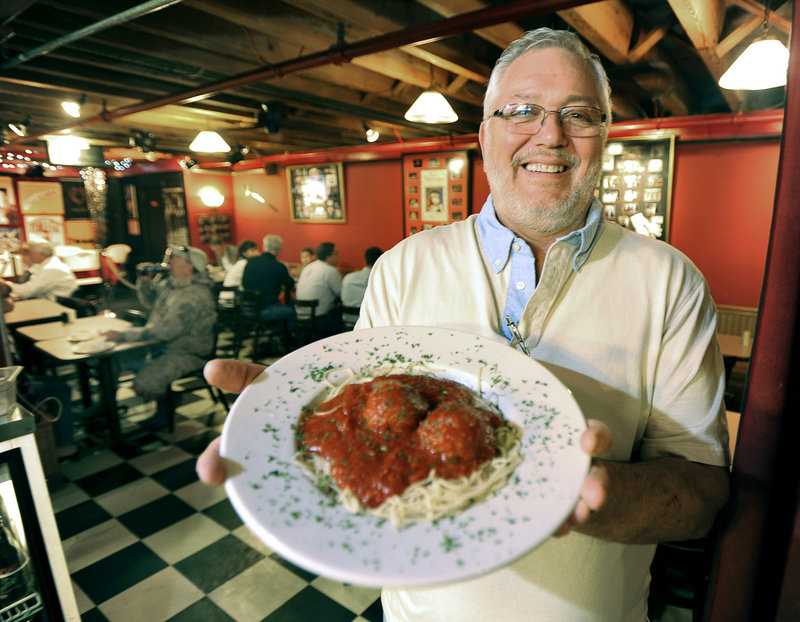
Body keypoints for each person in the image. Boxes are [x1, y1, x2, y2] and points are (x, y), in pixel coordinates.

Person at [197, 28, 730, 622]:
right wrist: (298, 421)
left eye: (578, 115)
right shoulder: (403, 267)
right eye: (521, 110)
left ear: (605, 136)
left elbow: (703, 494)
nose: (549, 134)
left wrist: (598, 496)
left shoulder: (671, 282)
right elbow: (365, 421)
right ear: (484, 135)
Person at [103, 244, 216, 429]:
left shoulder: (193, 295)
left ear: (189, 266)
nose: (170, 261)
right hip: (163, 345)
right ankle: (104, 408)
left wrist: (122, 336)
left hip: (187, 352)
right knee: (116, 361)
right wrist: (145, 281)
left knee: (141, 385)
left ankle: (165, 406)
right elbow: (150, 302)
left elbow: (165, 331)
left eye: (176, 258)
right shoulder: (172, 285)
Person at [240, 234, 295, 327]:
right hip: (266, 309)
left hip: (247, 308)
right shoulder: (279, 266)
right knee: (292, 311)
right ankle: (286, 338)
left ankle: (272, 332)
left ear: (264, 247)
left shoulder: (251, 262)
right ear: (279, 250)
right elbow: (290, 284)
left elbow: (244, 283)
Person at [296, 241, 342, 335]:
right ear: (329, 256)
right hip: (319, 319)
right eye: (336, 254)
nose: (338, 256)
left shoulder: (307, 268)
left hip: (299, 316)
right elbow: (341, 294)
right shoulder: (330, 271)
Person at [7, 242, 77, 301]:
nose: (29, 256)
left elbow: (27, 291)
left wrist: (5, 285)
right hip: (48, 304)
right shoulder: (44, 266)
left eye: (30, 253)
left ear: (41, 254)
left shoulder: (51, 269)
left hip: (55, 308)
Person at [340, 246, 382, 325]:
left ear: (364, 260)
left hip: (347, 321)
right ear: (380, 261)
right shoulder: (381, 280)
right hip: (370, 324)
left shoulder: (348, 277)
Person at [219, 239, 259, 306]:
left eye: (256, 250)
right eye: (253, 250)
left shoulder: (239, 262)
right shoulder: (245, 264)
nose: (257, 253)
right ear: (244, 253)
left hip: (224, 299)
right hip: (232, 301)